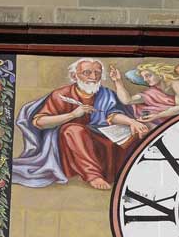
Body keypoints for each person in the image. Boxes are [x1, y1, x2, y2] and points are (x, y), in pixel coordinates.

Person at [12, 58, 149, 190]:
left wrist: (132, 122)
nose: (93, 77)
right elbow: (39, 122)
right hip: (71, 144)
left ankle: (124, 174)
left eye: (97, 73)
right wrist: (72, 115)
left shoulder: (106, 94)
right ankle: (93, 175)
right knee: (73, 130)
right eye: (87, 72)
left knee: (136, 131)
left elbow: (112, 115)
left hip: (100, 136)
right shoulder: (61, 95)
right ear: (74, 75)